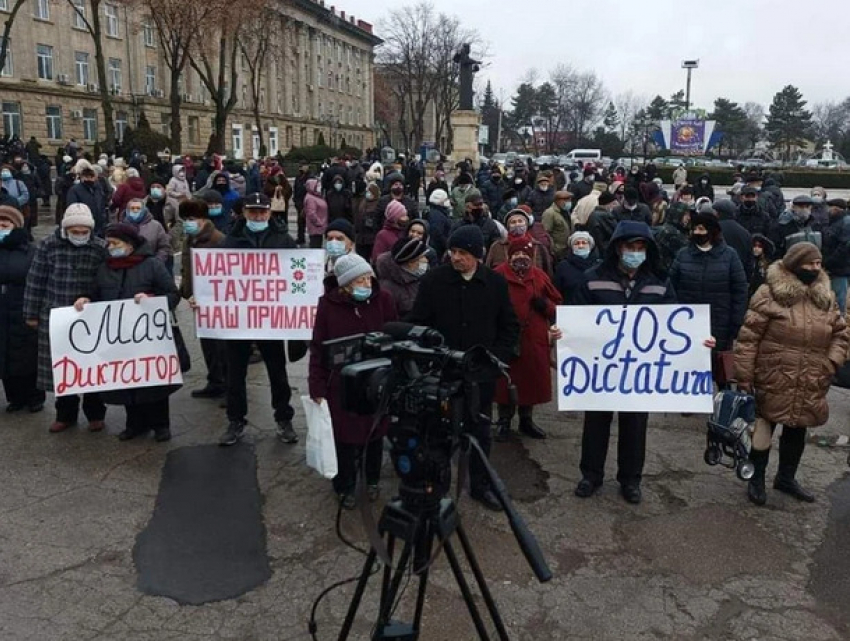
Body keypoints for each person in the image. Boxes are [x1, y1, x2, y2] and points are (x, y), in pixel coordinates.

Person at [407, 225, 520, 511]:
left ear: (477, 255)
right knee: (438, 433)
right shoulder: (434, 280)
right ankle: (438, 486)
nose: (456, 258)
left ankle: (480, 485)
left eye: (463, 253)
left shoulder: (495, 283)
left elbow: (509, 327)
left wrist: (495, 361)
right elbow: (418, 323)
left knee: (479, 431)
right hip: (441, 373)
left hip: (479, 375)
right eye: (452, 251)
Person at [735, 242, 849, 506]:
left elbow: (841, 334)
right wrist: (744, 376)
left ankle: (786, 478)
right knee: (765, 423)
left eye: (818, 264)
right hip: (773, 374)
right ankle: (757, 478)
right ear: (795, 265)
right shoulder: (769, 294)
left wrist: (830, 363)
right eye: (809, 264)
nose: (814, 268)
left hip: (811, 376)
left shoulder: (825, 297)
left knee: (798, 427)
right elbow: (748, 338)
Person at [572, 221, 677, 504]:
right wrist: (564, 333)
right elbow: (577, 316)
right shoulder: (592, 277)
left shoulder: (659, 282)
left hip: (638, 370)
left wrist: (696, 343)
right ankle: (591, 475)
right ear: (618, 248)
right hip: (600, 368)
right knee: (596, 422)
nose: (635, 252)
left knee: (635, 425)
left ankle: (631, 479)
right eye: (630, 247)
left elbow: (674, 325)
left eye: (641, 247)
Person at [309, 253, 398, 508]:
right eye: (359, 280)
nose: (365, 284)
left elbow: (394, 332)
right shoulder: (327, 306)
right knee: (345, 439)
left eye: (367, 278)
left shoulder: (384, 300)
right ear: (345, 285)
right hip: (342, 385)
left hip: (376, 380)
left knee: (375, 433)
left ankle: (372, 480)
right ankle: (344, 486)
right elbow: (318, 348)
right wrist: (317, 385)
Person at [77, 223, 180, 441]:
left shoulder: (151, 265)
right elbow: (95, 294)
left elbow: (172, 294)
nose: (110, 247)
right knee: (126, 380)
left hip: (148, 336)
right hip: (118, 336)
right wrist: (86, 299)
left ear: (130, 244)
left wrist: (151, 301)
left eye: (115, 243)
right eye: (109, 242)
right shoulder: (105, 267)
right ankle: (135, 424)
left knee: (153, 381)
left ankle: (161, 425)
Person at [215, 194, 298, 446]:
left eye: (262, 213)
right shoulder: (230, 241)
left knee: (277, 372)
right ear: (244, 214)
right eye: (253, 212)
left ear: (270, 213)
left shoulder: (283, 240)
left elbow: (295, 276)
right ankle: (235, 420)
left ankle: (284, 418)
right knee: (235, 374)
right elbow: (217, 278)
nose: (258, 217)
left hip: (270, 320)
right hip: (238, 319)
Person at [23, 203, 108, 433]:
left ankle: (95, 414)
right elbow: (36, 279)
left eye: (84, 232)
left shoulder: (100, 248)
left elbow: (107, 280)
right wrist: (31, 313)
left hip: (90, 315)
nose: (80, 236)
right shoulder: (48, 246)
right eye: (75, 232)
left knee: (92, 369)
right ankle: (66, 414)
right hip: (56, 315)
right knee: (64, 369)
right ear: (66, 229)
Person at [493, 235, 562, 441]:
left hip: (533, 338)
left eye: (525, 253)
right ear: (509, 255)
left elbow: (557, 304)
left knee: (529, 380)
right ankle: (504, 420)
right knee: (505, 380)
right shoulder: (497, 275)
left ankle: (526, 420)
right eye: (516, 253)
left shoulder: (539, 276)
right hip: (507, 337)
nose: (520, 257)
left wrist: (544, 305)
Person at [669, 212, 748, 365]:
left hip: (720, 324)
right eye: (694, 229)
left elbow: (739, 291)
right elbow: (672, 287)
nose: (697, 233)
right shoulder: (683, 255)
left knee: (717, 367)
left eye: (701, 228)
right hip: (687, 323)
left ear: (712, 231)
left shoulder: (730, 256)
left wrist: (736, 323)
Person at [180, 199, 228, 399]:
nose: (187, 223)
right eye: (185, 219)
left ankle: (228, 386)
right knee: (207, 344)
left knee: (221, 347)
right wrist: (186, 291)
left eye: (191, 219)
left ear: (203, 219)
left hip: (217, 301)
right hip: (198, 300)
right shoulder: (189, 239)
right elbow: (187, 269)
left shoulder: (218, 240)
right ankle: (215, 382)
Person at [0, 206, 44, 413]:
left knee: (26, 353)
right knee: (4, 354)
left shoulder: (30, 250)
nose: (1, 227)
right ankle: (14, 397)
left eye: (5, 224)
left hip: (22, 306)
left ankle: (34, 396)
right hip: (2, 310)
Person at [486, 208, 552, 276]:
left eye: (520, 221)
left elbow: (548, 272)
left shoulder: (538, 246)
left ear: (526, 225)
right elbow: (488, 271)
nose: (517, 224)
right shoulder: (497, 247)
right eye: (513, 222)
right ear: (508, 227)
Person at [377, 237, 429, 316]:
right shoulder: (388, 289)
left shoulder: (420, 278)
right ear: (410, 262)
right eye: (421, 257)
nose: (426, 260)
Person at [119, 197, 172, 265]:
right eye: (132, 208)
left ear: (144, 210)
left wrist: (157, 261)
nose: (135, 210)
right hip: (127, 266)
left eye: (138, 208)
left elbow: (164, 246)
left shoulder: (156, 226)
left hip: (150, 266)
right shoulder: (120, 227)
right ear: (127, 210)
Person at [555, 231, 601, 304]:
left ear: (590, 245)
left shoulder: (599, 266)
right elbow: (557, 291)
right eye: (577, 243)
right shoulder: (563, 267)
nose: (581, 246)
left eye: (584, 243)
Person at [822, 198, 850, 316]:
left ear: (837, 209)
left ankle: (840, 325)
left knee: (839, 300)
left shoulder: (845, 223)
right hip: (833, 267)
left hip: (839, 269)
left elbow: (844, 247)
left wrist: (828, 262)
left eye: (831, 207)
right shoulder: (833, 222)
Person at [66, 167, 107, 235]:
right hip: (83, 224)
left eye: (91, 176)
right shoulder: (74, 190)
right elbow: (72, 207)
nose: (89, 179)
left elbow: (102, 204)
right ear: (81, 178)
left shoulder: (98, 188)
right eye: (86, 177)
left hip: (99, 225)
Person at [541, 191, 573, 259]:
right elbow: (546, 233)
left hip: (567, 250)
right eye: (565, 200)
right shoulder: (549, 213)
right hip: (557, 251)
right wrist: (553, 249)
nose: (568, 202)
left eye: (569, 200)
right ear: (557, 201)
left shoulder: (566, 212)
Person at [423, 189, 452, 260]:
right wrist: (447, 245)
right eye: (445, 199)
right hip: (438, 250)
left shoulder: (436, 212)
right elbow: (437, 233)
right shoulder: (437, 216)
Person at [304, 178, 328, 249]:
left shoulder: (317, 196)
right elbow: (311, 213)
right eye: (318, 186)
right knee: (315, 247)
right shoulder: (310, 199)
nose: (319, 187)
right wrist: (319, 223)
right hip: (315, 229)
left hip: (319, 228)